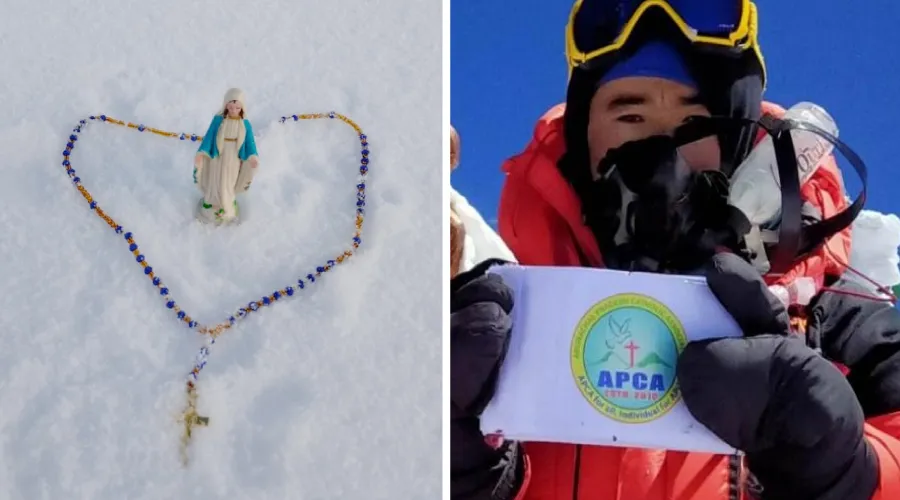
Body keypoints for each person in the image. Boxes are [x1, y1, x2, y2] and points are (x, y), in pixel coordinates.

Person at [450, 1, 900, 498]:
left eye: (693, 123)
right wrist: (457, 459)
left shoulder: (842, 326)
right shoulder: (499, 319)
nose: (661, 145)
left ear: (738, 139)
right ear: (583, 142)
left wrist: (839, 466)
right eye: (630, 112)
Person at [194, 87, 259, 224]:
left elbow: (249, 142)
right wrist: (202, 153)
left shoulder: (245, 124)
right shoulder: (219, 120)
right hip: (218, 155)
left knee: (229, 181)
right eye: (231, 107)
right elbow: (210, 137)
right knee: (215, 179)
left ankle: (227, 205)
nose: (234, 110)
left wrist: (252, 157)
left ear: (242, 107)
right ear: (226, 105)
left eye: (237, 107)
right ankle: (211, 203)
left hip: (233, 157)